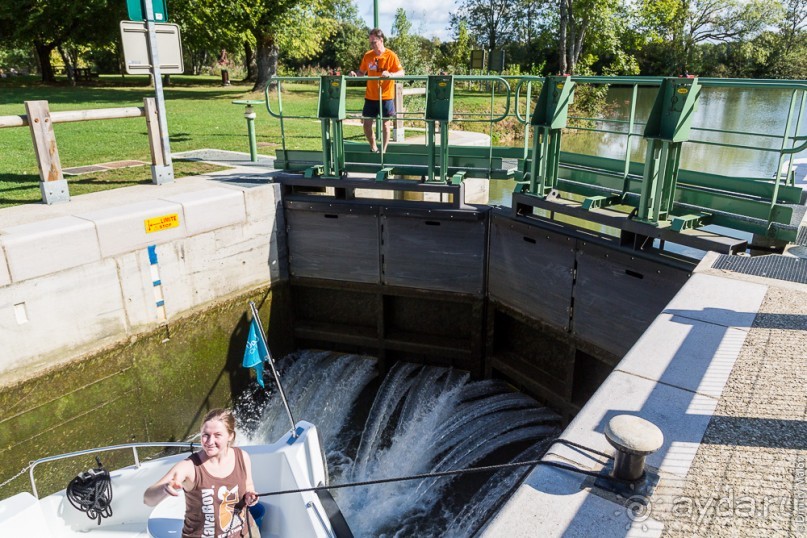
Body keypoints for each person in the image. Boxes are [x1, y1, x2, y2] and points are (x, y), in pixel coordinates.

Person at [144, 408, 260, 537]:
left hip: (246, 532)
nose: (210, 442)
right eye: (206, 435)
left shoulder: (242, 457)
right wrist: (164, 489)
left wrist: (251, 496)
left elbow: (249, 486)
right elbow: (148, 499)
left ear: (230, 436)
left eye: (217, 435)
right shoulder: (189, 467)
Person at [349, 29, 404, 153]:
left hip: (386, 96)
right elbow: (361, 72)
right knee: (366, 124)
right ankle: (374, 147)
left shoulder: (391, 55)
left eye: (374, 42)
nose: (372, 45)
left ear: (381, 40)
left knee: (385, 124)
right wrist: (354, 74)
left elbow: (401, 72)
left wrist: (390, 74)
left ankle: (383, 151)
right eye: (371, 43)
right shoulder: (368, 56)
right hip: (371, 96)